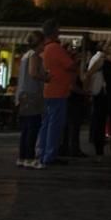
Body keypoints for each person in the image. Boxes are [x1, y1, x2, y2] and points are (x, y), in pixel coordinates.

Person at [40, 19, 76, 166]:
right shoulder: (55, 48)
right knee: (55, 124)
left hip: (48, 90)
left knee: (47, 123)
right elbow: (70, 65)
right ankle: (50, 154)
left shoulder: (45, 48)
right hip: (58, 91)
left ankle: (42, 152)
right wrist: (73, 58)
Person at [16, 31, 48, 169]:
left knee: (26, 128)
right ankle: (29, 157)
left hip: (24, 94)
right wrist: (45, 77)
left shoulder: (25, 55)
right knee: (33, 127)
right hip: (32, 94)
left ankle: (22, 157)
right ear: (40, 43)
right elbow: (33, 73)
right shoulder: (34, 56)